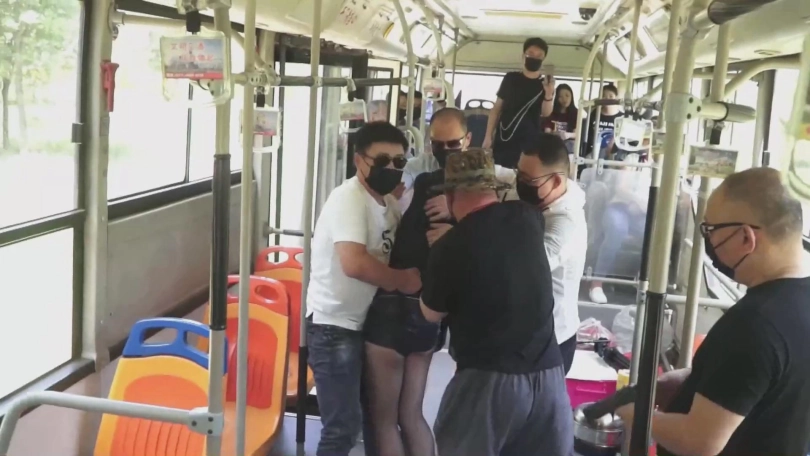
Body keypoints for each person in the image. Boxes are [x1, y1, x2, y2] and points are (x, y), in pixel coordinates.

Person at [616, 167, 810, 456]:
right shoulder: (796, 301)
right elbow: (769, 380)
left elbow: (700, 442)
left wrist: (636, 414)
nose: (708, 242)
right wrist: (695, 379)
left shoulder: (753, 325)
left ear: (746, 238)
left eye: (710, 230)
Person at [419, 148, 574, 456]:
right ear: (494, 188)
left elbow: (431, 313)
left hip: (487, 381)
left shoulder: (450, 246)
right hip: (548, 376)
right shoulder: (530, 218)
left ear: (450, 195)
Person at [306, 121, 423, 456]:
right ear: (359, 160)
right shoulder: (348, 199)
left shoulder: (387, 203)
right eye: (382, 160)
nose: (391, 168)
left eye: (399, 162)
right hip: (333, 326)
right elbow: (354, 263)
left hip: (365, 323)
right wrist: (403, 280)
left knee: (374, 419)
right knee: (342, 427)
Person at [361, 108, 470, 456]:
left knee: (383, 420)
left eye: (452, 144)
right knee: (411, 415)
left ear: (467, 140)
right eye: (438, 144)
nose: (444, 150)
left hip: (393, 306)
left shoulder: (424, 184)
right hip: (429, 311)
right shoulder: (482, 205)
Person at [514, 133, 587, 374]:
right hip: (526, 332)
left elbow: (525, 269)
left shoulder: (566, 223)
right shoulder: (543, 194)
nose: (520, 183)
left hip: (551, 342)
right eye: (518, 175)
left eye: (528, 180)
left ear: (556, 181)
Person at [483, 38, 555, 169]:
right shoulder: (510, 78)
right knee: (500, 173)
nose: (534, 58)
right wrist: (488, 136)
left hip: (529, 141)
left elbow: (546, 113)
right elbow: (496, 108)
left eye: (539, 56)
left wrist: (549, 94)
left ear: (543, 59)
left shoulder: (544, 85)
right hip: (504, 138)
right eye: (530, 54)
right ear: (523, 56)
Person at [587, 153, 650, 304]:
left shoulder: (664, 164)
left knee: (652, 237)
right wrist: (637, 201)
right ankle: (597, 283)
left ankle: (642, 281)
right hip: (620, 207)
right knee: (617, 230)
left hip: (644, 213)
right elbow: (621, 188)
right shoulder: (633, 159)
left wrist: (644, 207)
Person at [584, 84, 622, 159]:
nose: (607, 99)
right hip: (594, 150)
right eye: (604, 96)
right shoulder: (595, 112)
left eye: (611, 96)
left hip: (612, 152)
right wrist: (598, 101)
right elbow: (585, 106)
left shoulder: (621, 117)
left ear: (616, 98)